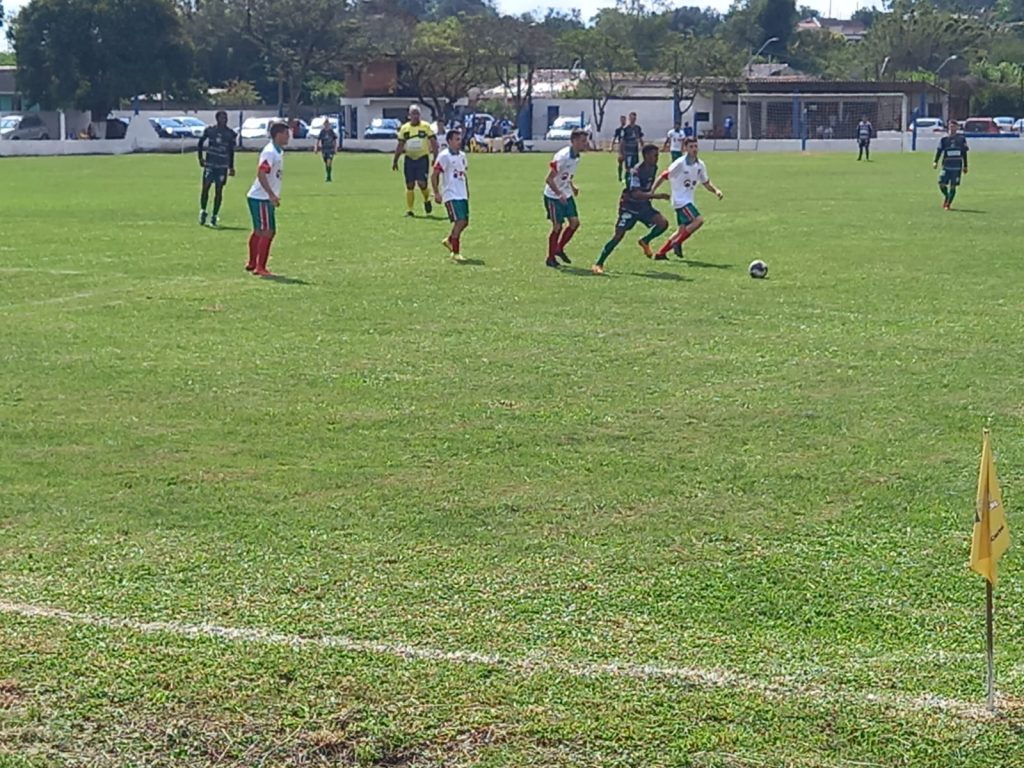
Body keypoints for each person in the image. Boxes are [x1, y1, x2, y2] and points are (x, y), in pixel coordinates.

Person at [592, 144, 670, 275]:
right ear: (646, 156)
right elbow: (636, 194)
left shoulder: (653, 168)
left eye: (658, 155)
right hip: (629, 207)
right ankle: (599, 263)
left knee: (663, 223)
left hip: (643, 206)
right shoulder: (635, 172)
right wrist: (656, 196)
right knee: (618, 235)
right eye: (655, 155)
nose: (657, 158)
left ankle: (645, 240)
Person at [650, 136, 723, 259]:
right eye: (691, 146)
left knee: (681, 230)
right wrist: (652, 191)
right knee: (698, 220)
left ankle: (660, 253)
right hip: (680, 201)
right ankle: (677, 242)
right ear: (685, 148)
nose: (694, 149)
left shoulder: (700, 165)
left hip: (687, 200)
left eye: (696, 146)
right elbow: (663, 176)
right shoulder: (680, 163)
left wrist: (716, 191)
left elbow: (706, 182)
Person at [245, 122, 289, 277]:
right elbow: (261, 173)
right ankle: (260, 267)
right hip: (261, 197)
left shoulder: (278, 151)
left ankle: (252, 263)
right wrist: (271, 194)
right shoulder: (270, 152)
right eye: (286, 134)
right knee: (268, 231)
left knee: (259, 231)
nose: (288, 137)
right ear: (278, 135)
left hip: (260, 197)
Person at [543, 128, 589, 268]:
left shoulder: (577, 156)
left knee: (575, 223)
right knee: (557, 227)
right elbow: (549, 179)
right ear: (574, 141)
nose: (585, 143)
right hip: (553, 196)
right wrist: (559, 194)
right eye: (583, 141)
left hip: (566, 193)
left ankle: (559, 248)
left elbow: (567, 175)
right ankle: (550, 258)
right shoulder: (562, 157)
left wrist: (572, 186)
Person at [431, 129, 470, 263]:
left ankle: (449, 240)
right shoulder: (444, 156)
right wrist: (437, 192)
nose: (459, 142)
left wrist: (467, 191)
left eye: (460, 139)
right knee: (460, 221)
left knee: (465, 222)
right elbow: (434, 175)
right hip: (451, 194)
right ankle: (455, 252)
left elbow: (463, 174)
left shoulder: (462, 156)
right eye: (456, 139)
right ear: (449, 141)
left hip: (462, 193)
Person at [392, 105, 439, 217]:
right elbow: (400, 145)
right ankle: (410, 210)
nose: (415, 116)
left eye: (417, 113)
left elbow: (434, 143)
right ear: (409, 116)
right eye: (413, 114)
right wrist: (395, 160)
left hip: (422, 158)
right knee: (410, 185)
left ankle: (427, 199)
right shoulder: (404, 128)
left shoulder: (426, 127)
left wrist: (435, 157)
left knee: (422, 183)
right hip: (409, 159)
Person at [197, 110, 236, 227]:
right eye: (222, 118)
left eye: (226, 118)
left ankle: (214, 215)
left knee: (219, 190)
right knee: (206, 187)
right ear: (217, 119)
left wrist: (231, 167)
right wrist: (200, 158)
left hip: (222, 166)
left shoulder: (230, 134)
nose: (224, 120)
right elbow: (200, 143)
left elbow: (231, 151)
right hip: (210, 164)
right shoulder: (210, 131)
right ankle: (203, 211)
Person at [933, 120, 969, 210]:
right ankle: (947, 196)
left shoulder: (961, 139)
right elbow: (939, 151)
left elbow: (964, 153)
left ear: (957, 128)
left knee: (953, 185)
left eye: (954, 126)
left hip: (957, 167)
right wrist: (935, 161)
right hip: (946, 166)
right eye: (951, 126)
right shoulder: (944, 139)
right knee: (941, 183)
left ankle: (948, 204)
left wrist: (965, 166)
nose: (952, 128)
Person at [619, 112, 644, 177]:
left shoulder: (638, 128)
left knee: (635, 166)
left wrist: (643, 148)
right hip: (628, 152)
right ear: (629, 118)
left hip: (635, 152)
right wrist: (621, 153)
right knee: (628, 167)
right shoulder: (625, 129)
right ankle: (627, 179)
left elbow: (640, 139)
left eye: (634, 118)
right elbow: (622, 141)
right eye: (632, 118)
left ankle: (633, 179)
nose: (633, 120)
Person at [315, 118, 338, 182]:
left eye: (327, 124)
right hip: (324, 149)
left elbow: (334, 140)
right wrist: (316, 148)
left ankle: (329, 176)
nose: (326, 125)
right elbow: (318, 140)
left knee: (329, 162)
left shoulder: (331, 131)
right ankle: (328, 174)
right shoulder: (322, 132)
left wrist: (335, 148)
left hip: (330, 149)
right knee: (326, 163)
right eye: (325, 124)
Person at [612, 115, 627, 181]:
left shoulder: (627, 129)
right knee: (620, 162)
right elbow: (614, 138)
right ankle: (620, 176)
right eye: (622, 120)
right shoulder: (618, 130)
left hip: (627, 147)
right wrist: (611, 146)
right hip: (621, 147)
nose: (623, 121)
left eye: (624, 120)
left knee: (627, 164)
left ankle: (626, 177)